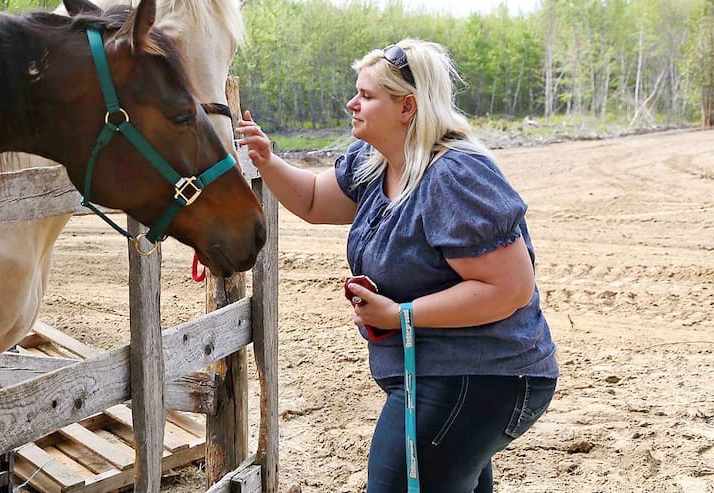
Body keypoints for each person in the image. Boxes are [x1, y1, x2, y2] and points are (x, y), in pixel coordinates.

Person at [235, 40, 558, 492]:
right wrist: (267, 160)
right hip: (445, 376)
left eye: (366, 95)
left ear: (407, 107)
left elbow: (508, 288)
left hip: (478, 376)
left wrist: (398, 314)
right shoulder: (377, 164)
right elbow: (310, 200)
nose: (352, 103)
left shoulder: (454, 176)